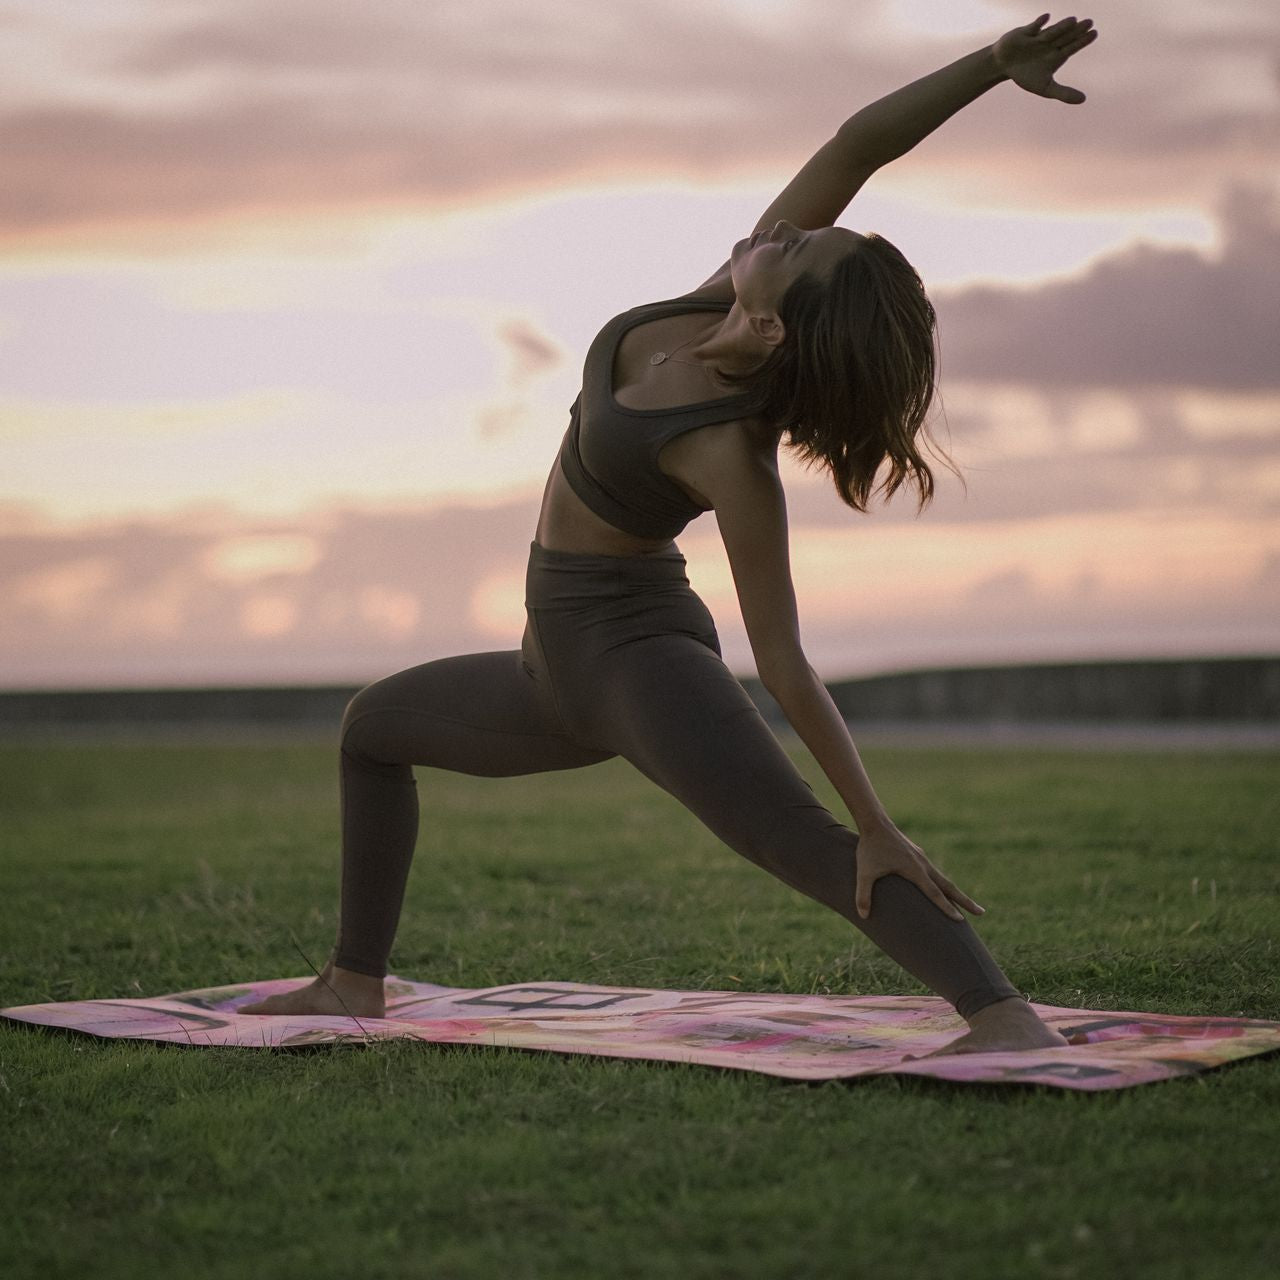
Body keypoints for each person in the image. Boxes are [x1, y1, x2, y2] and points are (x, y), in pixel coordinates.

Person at [242, 14, 1098, 1054]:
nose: (780, 230)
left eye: (797, 248)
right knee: (371, 728)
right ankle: (350, 982)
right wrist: (988, 69)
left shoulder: (726, 452)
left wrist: (876, 818)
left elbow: (781, 660)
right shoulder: (707, 302)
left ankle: (1004, 1017)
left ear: (781, 322)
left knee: (807, 844)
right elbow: (855, 146)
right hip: (546, 665)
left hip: (640, 665)